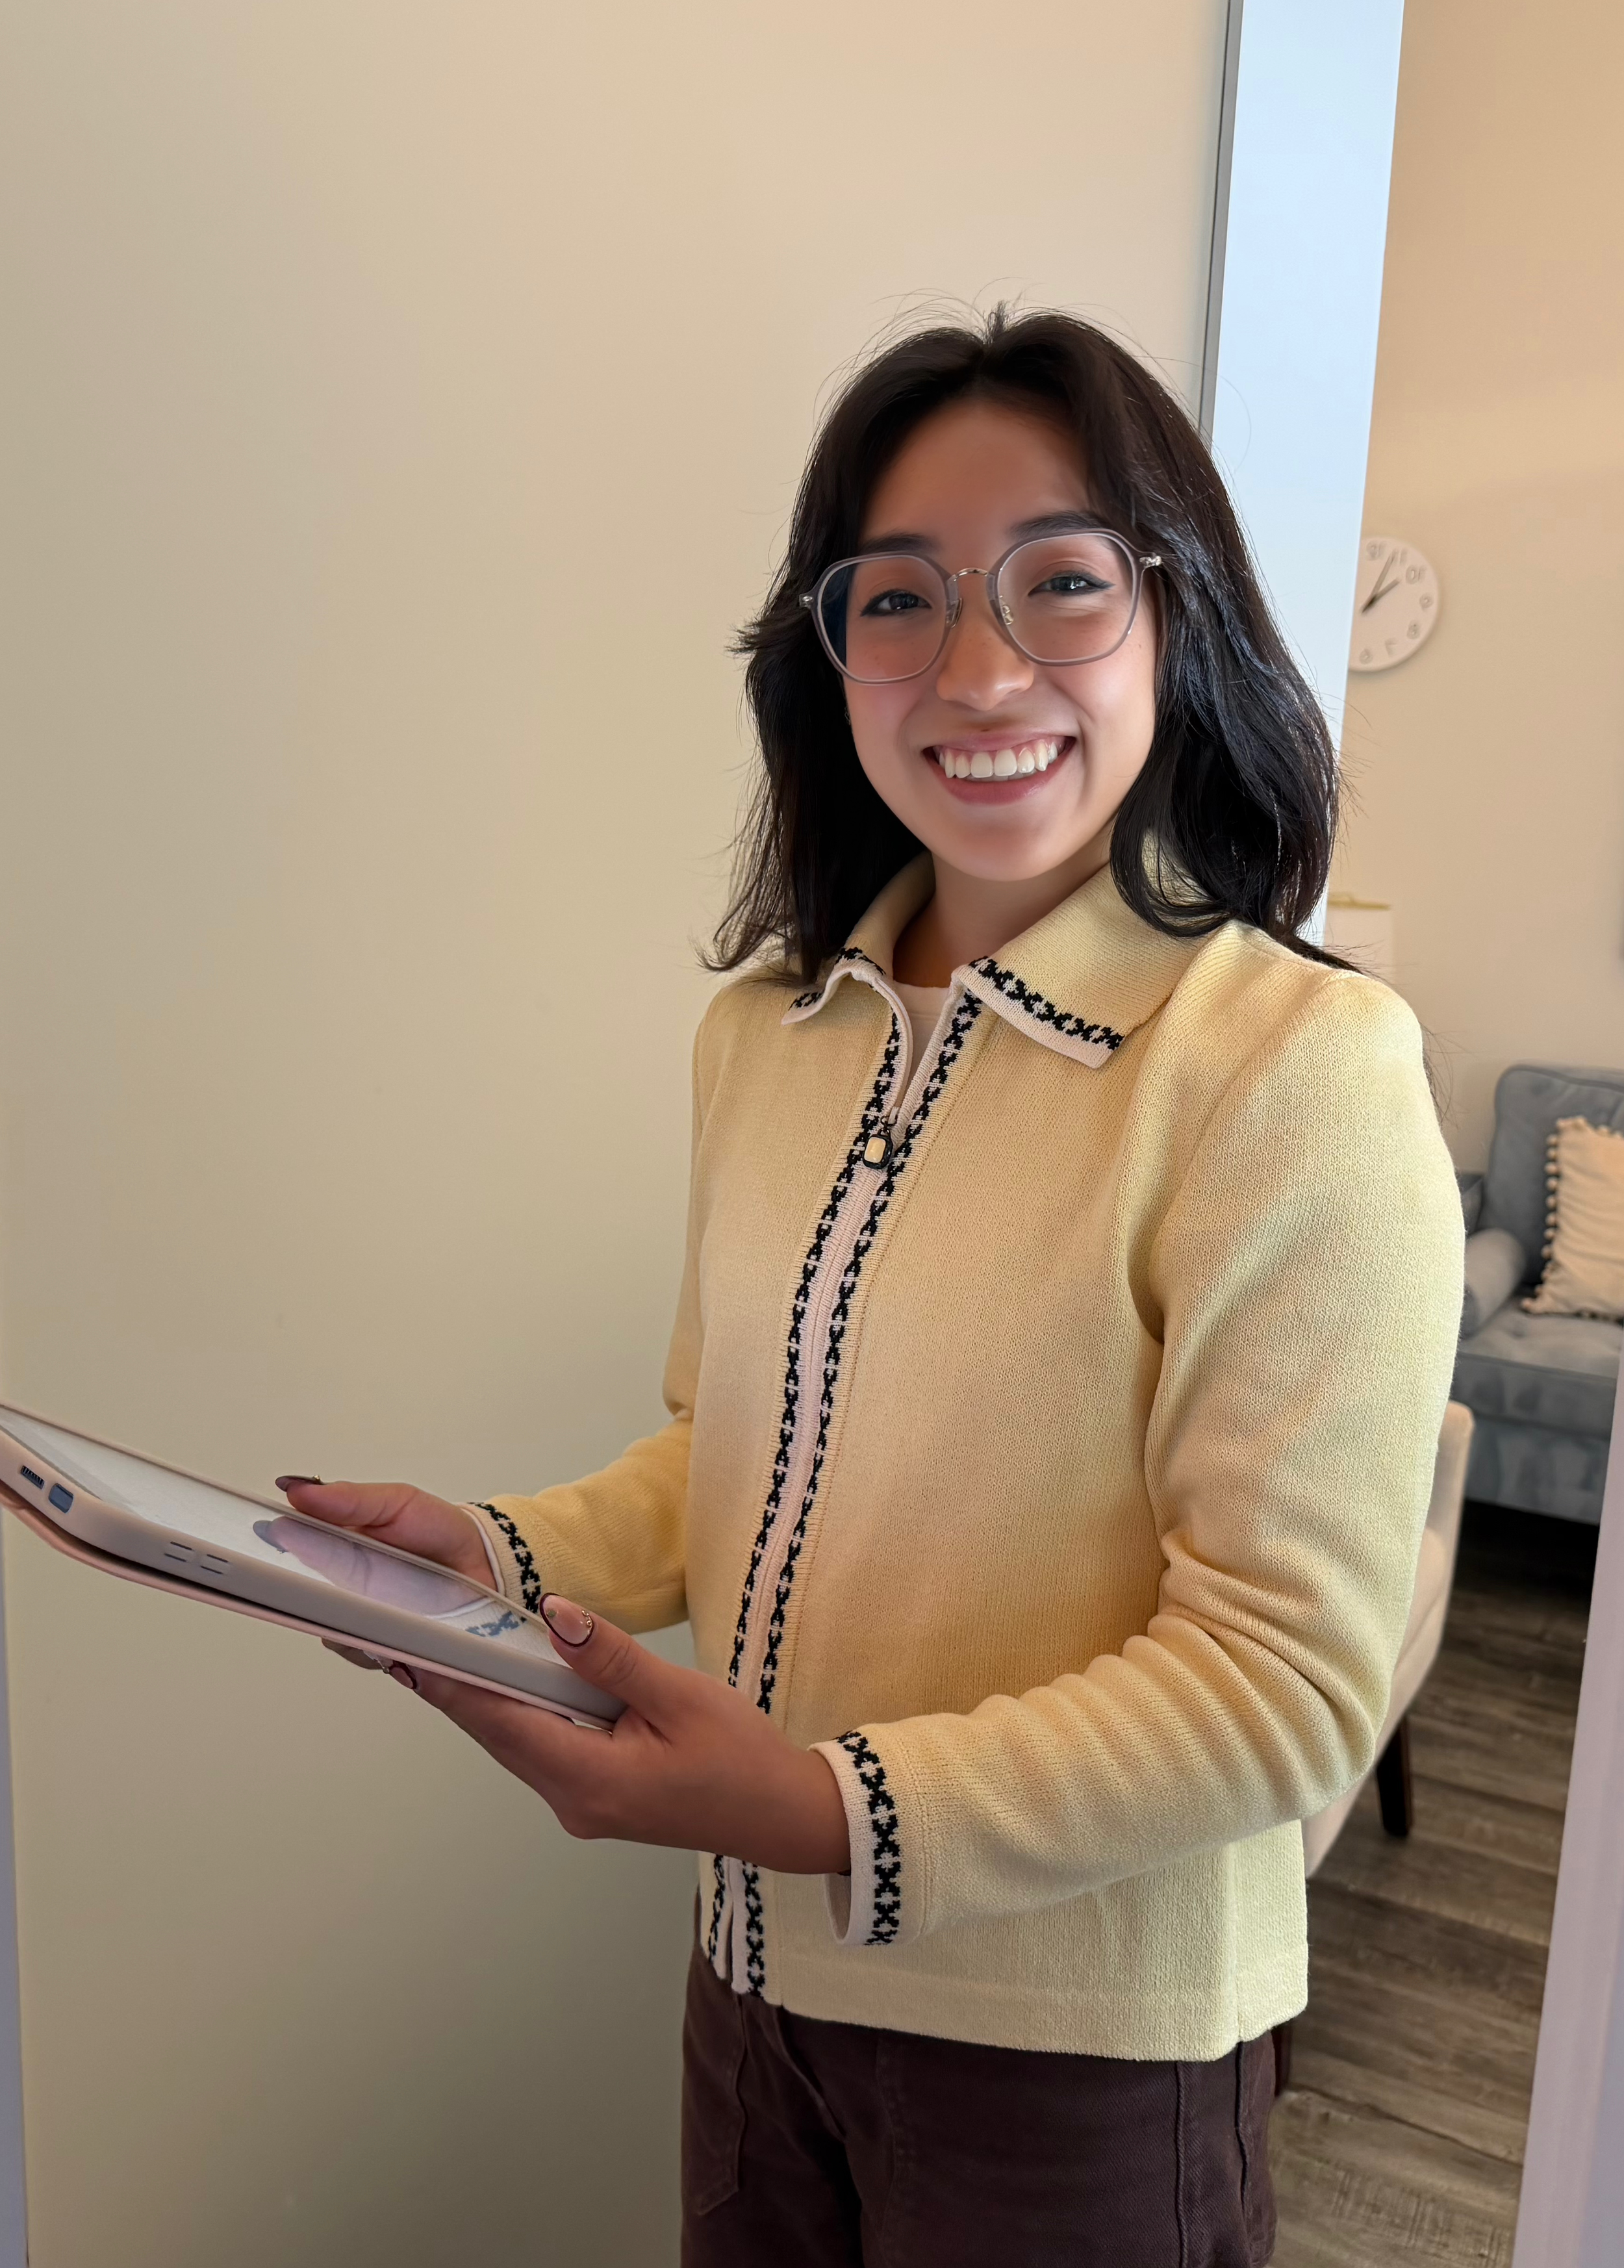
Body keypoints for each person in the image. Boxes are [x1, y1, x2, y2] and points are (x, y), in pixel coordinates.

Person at [279, 309, 1463, 2266]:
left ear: (1180, 619)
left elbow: (1285, 1686)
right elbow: (719, 1455)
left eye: (1060, 585)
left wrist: (828, 1810)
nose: (980, 668)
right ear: (823, 657)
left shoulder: (1288, 1072)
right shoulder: (770, 1035)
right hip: (751, 1996)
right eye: (896, 599)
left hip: (1076, 2067)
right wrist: (492, 1551)